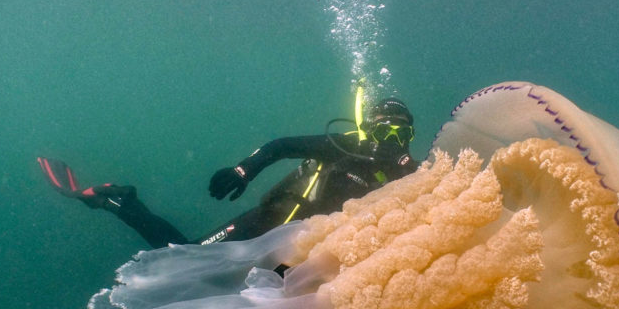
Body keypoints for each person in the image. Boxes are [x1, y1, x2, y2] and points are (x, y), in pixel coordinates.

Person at [38, 96, 419, 249]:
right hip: (271, 221)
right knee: (184, 258)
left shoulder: (410, 176)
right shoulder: (345, 146)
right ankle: (121, 201)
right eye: (383, 132)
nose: (390, 142)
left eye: (400, 135)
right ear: (368, 130)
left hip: (308, 253)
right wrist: (243, 171)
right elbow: (281, 146)